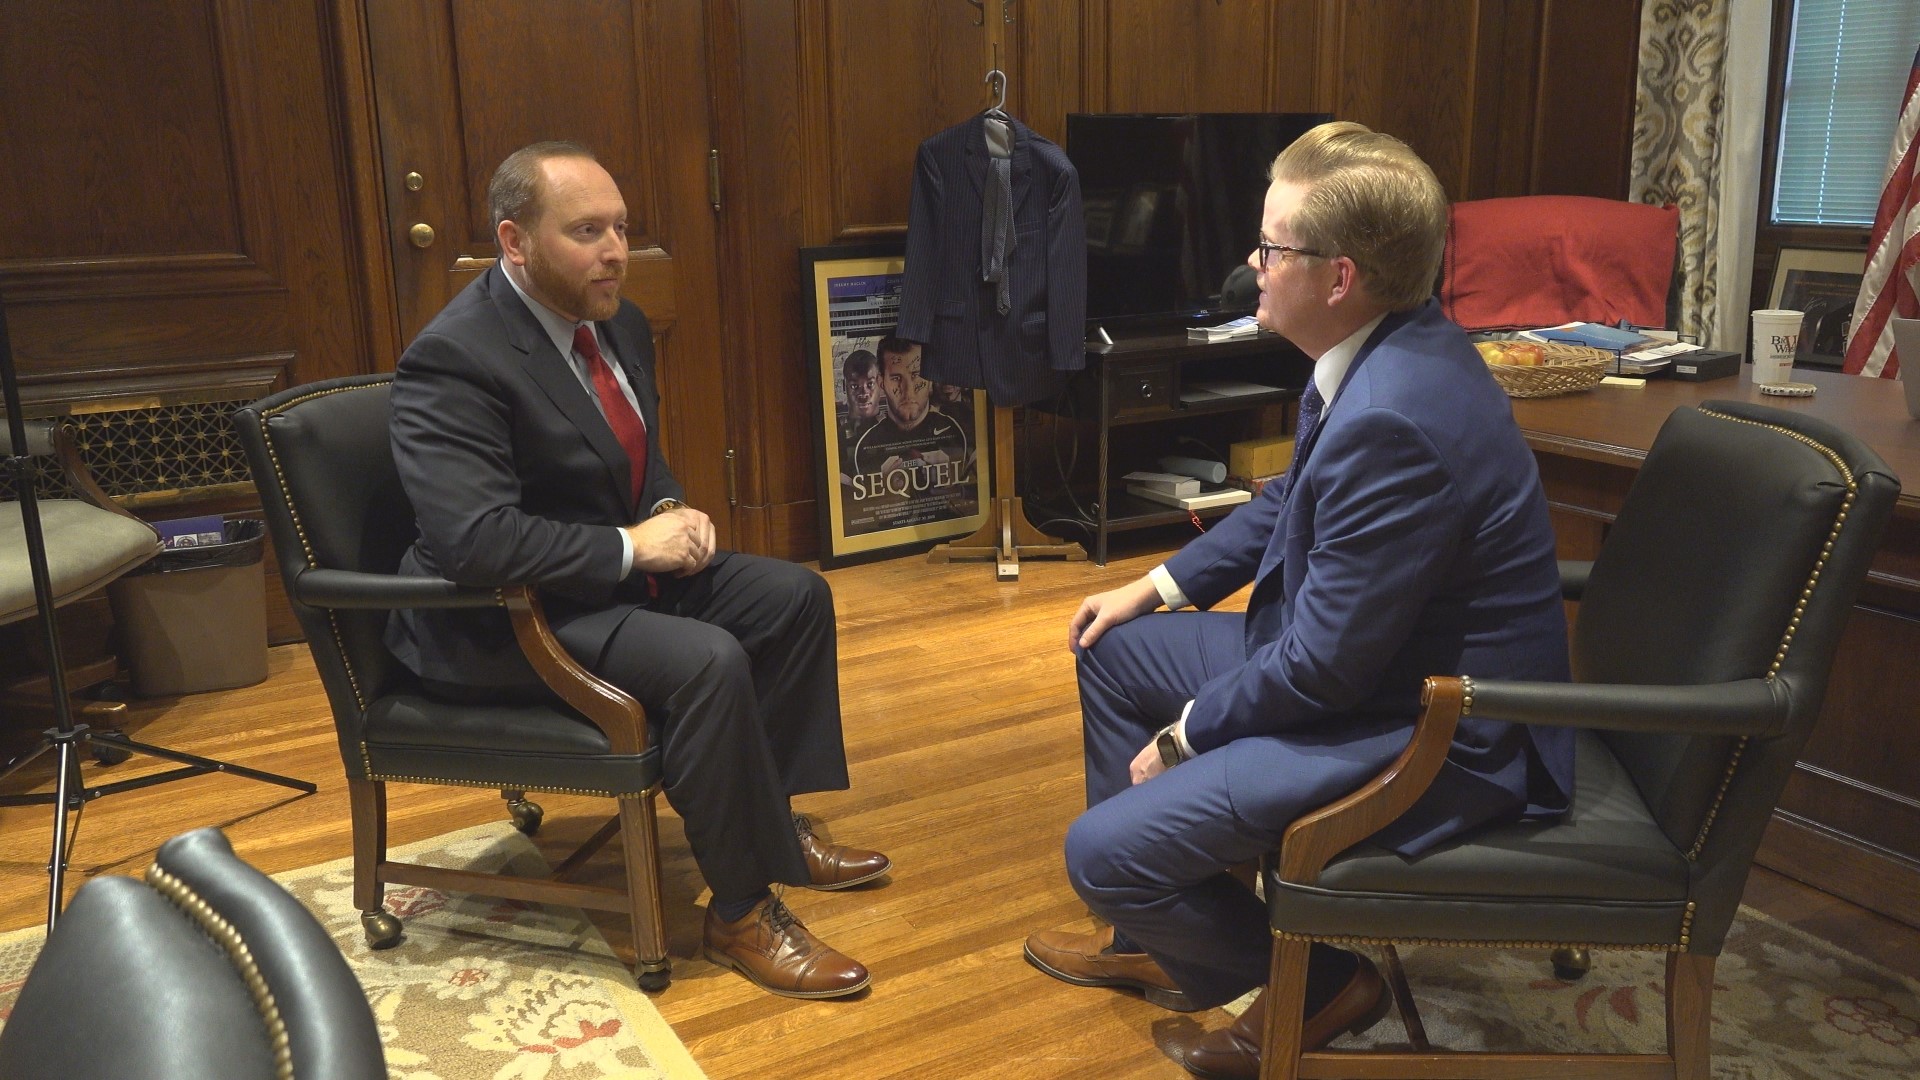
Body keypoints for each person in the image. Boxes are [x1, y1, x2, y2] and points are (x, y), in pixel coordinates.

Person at [1022, 121, 1575, 1077]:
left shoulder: (1395, 416)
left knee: (1100, 854)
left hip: (1430, 726)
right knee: (1111, 648)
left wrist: (1188, 736)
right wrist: (1152, 586)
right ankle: (1158, 936)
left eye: (1271, 247)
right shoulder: (1386, 347)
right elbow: (1289, 501)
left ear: (1339, 277)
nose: (1253, 262)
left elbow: (1324, 666)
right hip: (1368, 666)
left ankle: (1322, 986)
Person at [386, 141, 890, 1001]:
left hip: (600, 574)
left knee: (793, 596)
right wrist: (630, 547)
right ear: (515, 241)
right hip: (506, 614)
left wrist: (666, 509)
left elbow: (631, 457)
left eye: (620, 227)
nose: (614, 250)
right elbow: (475, 541)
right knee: (706, 661)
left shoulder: (613, 318)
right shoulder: (456, 358)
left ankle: (769, 822)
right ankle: (738, 910)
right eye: (587, 231)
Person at [846, 335, 974, 518]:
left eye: (916, 375)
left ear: (930, 378)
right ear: (882, 382)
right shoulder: (865, 446)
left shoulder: (957, 432)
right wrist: (882, 497)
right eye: (897, 378)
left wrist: (953, 488)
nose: (908, 390)